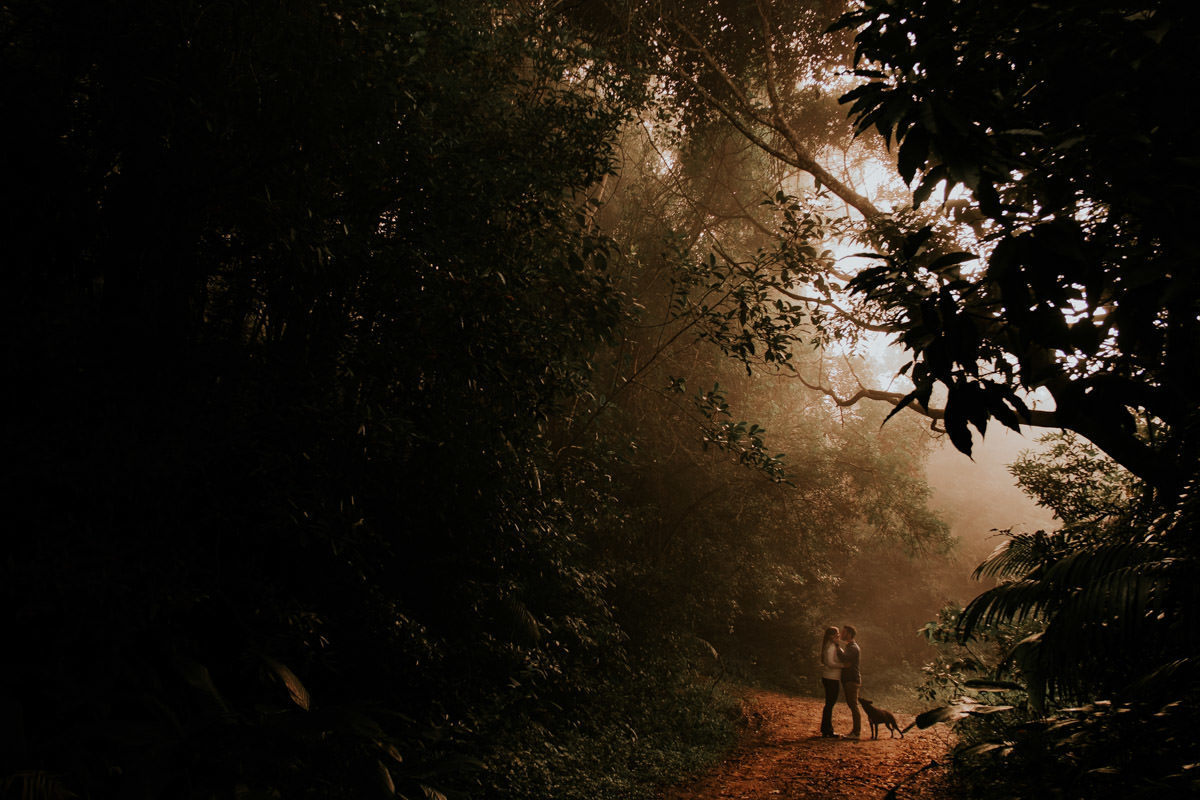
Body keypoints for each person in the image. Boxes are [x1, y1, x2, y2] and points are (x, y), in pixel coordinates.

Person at [818, 626, 844, 737]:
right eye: (836, 634)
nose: (838, 635)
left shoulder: (833, 646)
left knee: (829, 704)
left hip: (832, 677)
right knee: (829, 704)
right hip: (830, 678)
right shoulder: (830, 647)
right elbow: (830, 663)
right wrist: (843, 666)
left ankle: (827, 729)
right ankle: (827, 730)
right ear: (830, 636)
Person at [839, 625, 862, 739]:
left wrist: (836, 645)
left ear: (849, 634)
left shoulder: (853, 647)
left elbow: (844, 658)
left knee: (853, 705)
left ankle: (856, 733)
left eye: (843, 632)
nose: (841, 635)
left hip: (852, 680)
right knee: (852, 704)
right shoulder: (850, 647)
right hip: (849, 680)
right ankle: (855, 732)